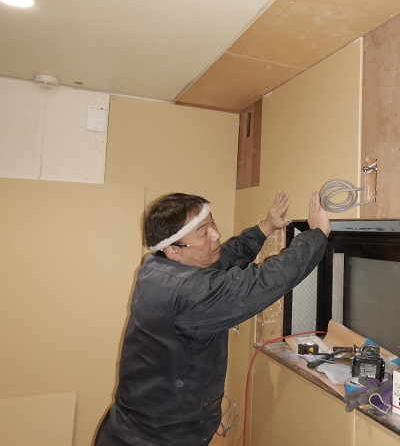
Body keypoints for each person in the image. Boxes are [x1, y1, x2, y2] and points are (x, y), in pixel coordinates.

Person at [95, 190, 331, 446]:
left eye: (212, 223)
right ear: (173, 250)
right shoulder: (189, 295)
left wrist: (266, 227)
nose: (216, 234)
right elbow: (262, 282)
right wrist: (317, 235)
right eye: (203, 232)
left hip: (138, 426)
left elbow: (224, 256)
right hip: (155, 439)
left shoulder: (158, 266)